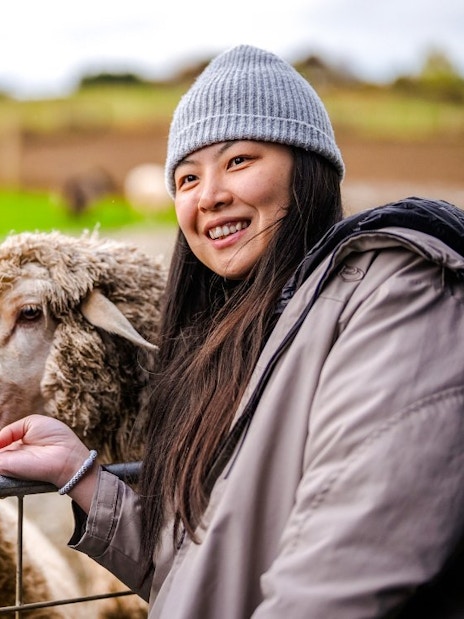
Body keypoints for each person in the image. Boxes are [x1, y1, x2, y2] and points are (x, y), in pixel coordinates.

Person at [1, 44, 464, 619]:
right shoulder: (244, 338)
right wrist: (80, 476)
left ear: (308, 165)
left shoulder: (394, 292)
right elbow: (213, 572)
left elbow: (344, 576)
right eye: (188, 177)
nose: (210, 195)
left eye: (240, 160)